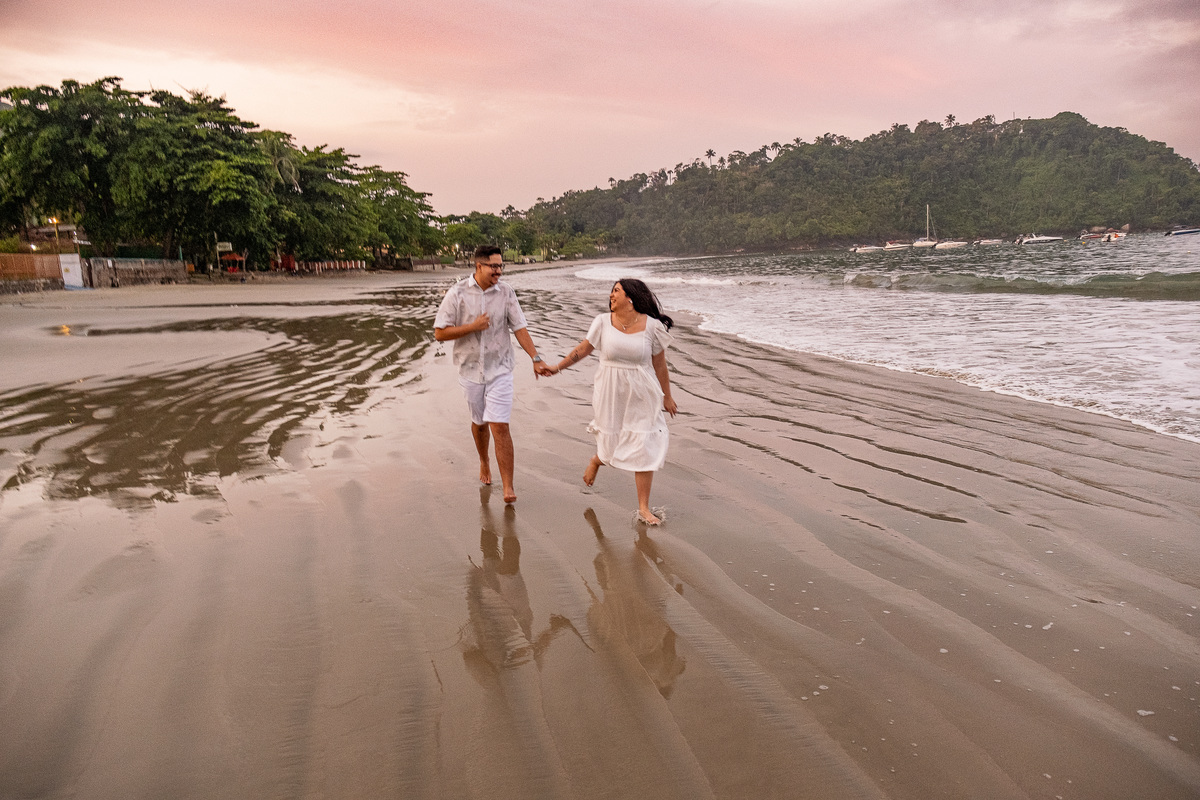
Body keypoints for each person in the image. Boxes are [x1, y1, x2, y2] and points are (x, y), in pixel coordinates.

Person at [548, 279, 677, 525]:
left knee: (644, 443)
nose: (611, 295)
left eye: (616, 291)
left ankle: (643, 508)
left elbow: (660, 364)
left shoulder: (652, 327)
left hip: (643, 391)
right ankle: (597, 460)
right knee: (611, 439)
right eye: (612, 291)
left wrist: (667, 396)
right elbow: (583, 349)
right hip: (610, 389)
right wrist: (557, 367)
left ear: (631, 297)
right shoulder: (602, 322)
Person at [434, 245, 552, 503]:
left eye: (501, 266)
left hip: (500, 368)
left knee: (500, 425)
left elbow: (519, 327)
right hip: (469, 368)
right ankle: (484, 461)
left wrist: (536, 357)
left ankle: (508, 486)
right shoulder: (457, 293)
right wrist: (472, 327)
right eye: (494, 266)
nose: (499, 271)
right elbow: (440, 332)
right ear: (479, 266)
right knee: (480, 423)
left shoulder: (506, 292)